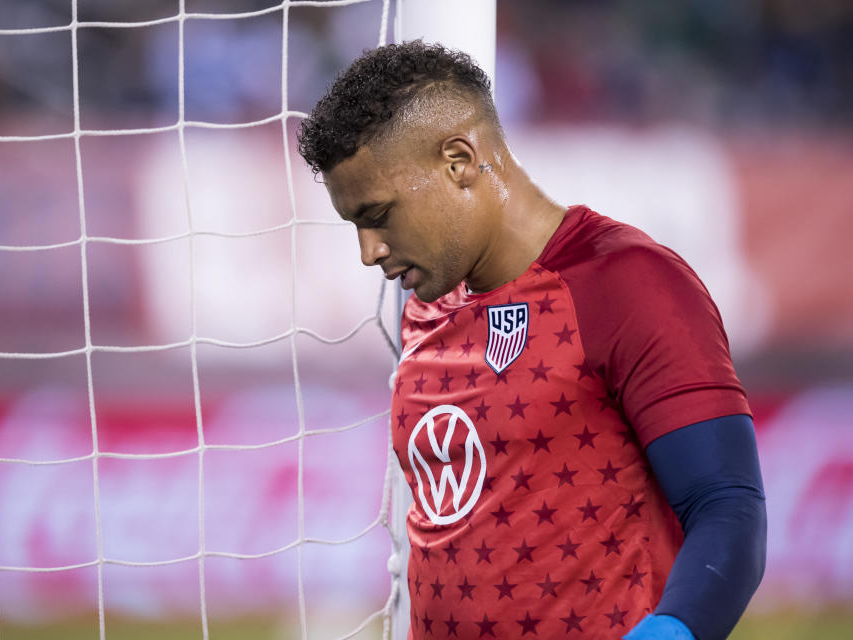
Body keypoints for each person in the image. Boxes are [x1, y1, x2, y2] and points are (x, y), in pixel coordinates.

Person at [297, 41, 766, 640]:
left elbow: (728, 505)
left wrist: (669, 633)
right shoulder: (424, 310)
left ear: (459, 160)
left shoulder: (627, 284)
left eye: (379, 214)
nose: (369, 252)